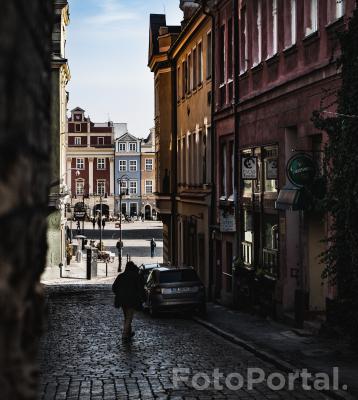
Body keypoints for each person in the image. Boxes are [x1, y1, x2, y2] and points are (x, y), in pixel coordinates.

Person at [112, 261, 145, 341]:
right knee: (129, 317)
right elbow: (141, 288)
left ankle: (128, 332)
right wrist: (143, 298)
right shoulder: (136, 276)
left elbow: (114, 288)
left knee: (126, 316)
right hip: (132, 300)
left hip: (122, 300)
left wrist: (119, 294)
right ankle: (124, 334)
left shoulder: (121, 276)